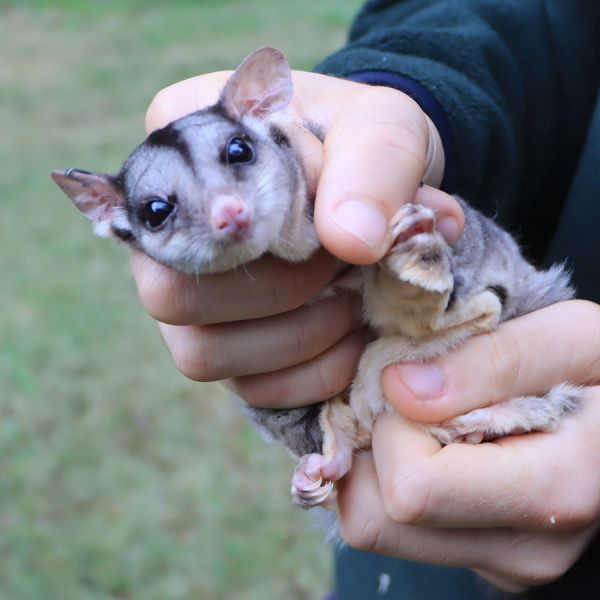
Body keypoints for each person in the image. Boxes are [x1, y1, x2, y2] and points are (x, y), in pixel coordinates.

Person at [130, 1, 600, 597]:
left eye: (237, 158)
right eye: (162, 210)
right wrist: (395, 107)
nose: (226, 211)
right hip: (401, 555)